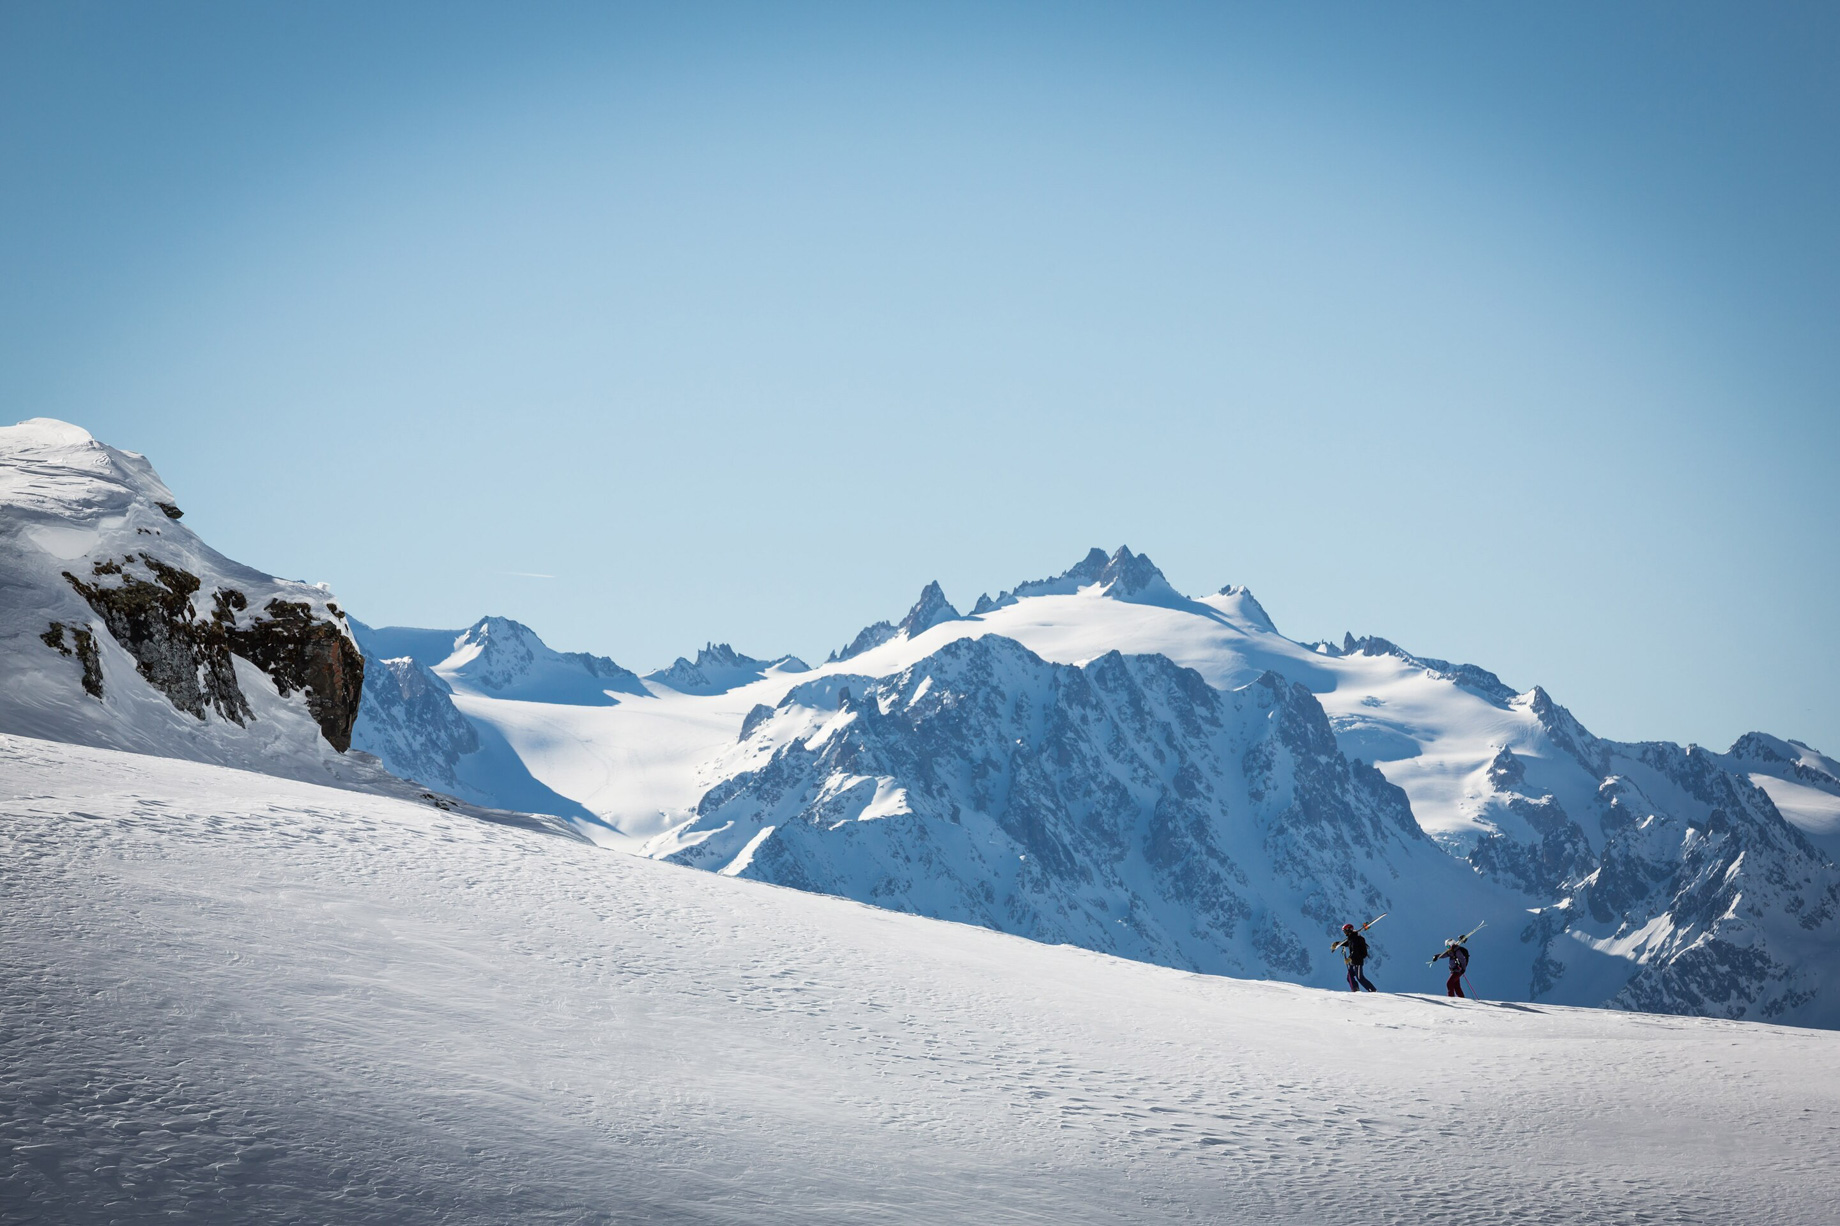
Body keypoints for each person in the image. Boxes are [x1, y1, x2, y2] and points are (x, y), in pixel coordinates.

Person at [1332, 922, 1377, 992]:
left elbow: (1355, 950)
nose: (1344, 933)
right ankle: (1355, 989)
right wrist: (1337, 943)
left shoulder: (1355, 939)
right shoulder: (1352, 938)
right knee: (1349, 977)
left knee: (1360, 978)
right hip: (1352, 961)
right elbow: (1348, 943)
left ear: (1348, 930)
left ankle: (1373, 990)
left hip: (1357, 961)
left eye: (1345, 931)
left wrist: (1350, 958)